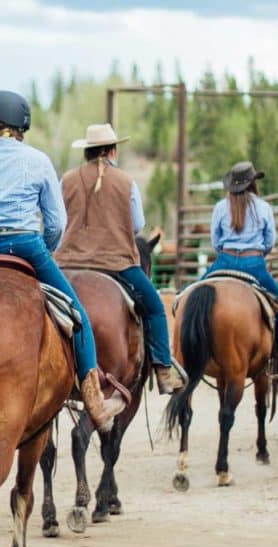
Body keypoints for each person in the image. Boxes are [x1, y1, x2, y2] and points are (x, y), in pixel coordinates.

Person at [0, 90, 125, 429]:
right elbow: (55, 222)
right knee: (78, 316)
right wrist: (43, 247)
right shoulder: (39, 160)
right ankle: (94, 401)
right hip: (26, 245)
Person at [54, 123, 184, 394]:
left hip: (66, 263)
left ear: (87, 152)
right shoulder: (126, 182)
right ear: (112, 150)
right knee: (155, 308)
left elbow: (56, 221)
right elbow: (137, 224)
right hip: (117, 264)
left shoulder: (66, 179)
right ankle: (162, 369)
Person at [204, 161, 278, 379]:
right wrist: (258, 253)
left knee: (186, 296)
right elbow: (270, 240)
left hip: (224, 261)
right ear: (253, 183)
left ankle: (179, 355)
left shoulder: (220, 207)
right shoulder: (263, 207)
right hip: (255, 265)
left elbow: (215, 240)